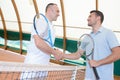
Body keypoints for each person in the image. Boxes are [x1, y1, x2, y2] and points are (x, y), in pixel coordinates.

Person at [59, 10, 120, 80]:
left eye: (90, 16)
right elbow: (77, 55)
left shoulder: (108, 33)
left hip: (105, 77)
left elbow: (117, 54)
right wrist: (62, 55)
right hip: (89, 77)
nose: (88, 18)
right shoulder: (86, 38)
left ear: (98, 18)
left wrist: (98, 62)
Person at [21, 3, 63, 79]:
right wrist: (54, 52)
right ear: (50, 10)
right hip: (33, 66)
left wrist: (55, 51)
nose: (59, 14)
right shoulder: (41, 21)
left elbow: (46, 44)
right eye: (57, 11)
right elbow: (38, 43)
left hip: (43, 66)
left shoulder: (51, 26)